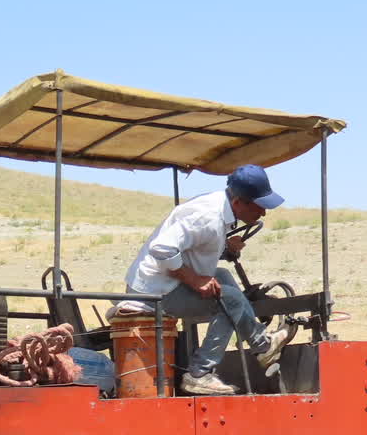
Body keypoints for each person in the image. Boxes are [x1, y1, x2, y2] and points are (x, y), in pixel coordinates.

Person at [119, 164, 294, 395]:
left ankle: (261, 344)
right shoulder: (207, 216)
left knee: (222, 276)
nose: (263, 213)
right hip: (153, 292)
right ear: (238, 202)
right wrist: (194, 279)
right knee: (230, 299)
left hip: (165, 282)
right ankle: (200, 373)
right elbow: (161, 249)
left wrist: (224, 246)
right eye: (259, 206)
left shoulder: (221, 210)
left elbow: (194, 246)